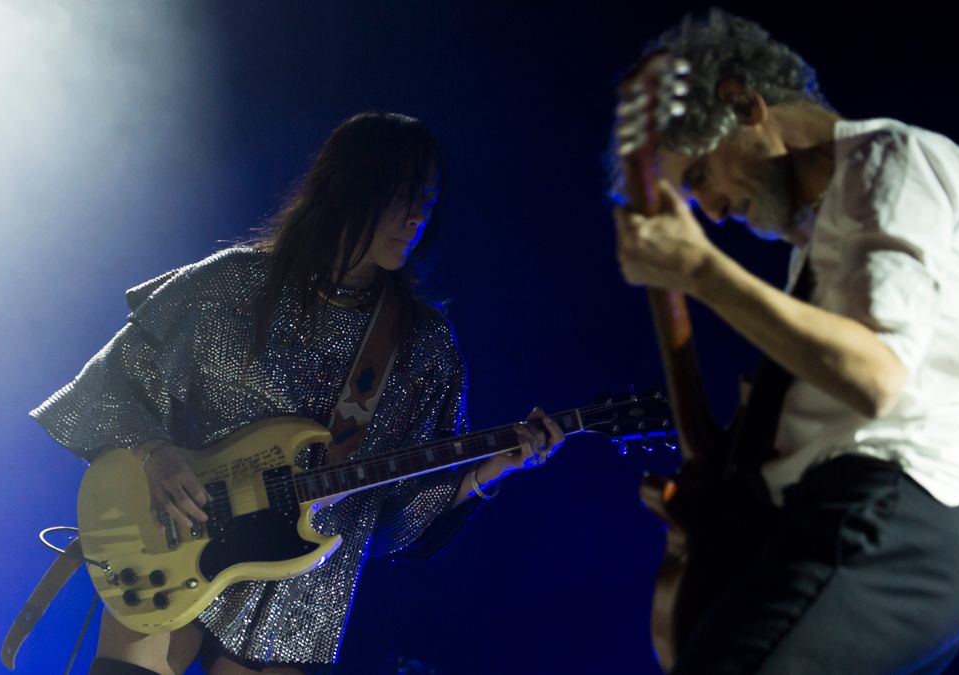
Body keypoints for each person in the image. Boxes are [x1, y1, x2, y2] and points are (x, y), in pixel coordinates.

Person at [32, 111, 563, 675]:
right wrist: (155, 454)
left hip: (301, 599)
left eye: (427, 204)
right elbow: (107, 384)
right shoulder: (230, 284)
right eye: (402, 198)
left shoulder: (424, 348)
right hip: (173, 539)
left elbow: (388, 525)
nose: (416, 220)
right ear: (349, 188)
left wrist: (488, 473)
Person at [614, 10, 959, 674]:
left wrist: (701, 271)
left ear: (743, 102)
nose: (710, 211)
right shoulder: (814, 258)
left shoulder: (892, 157)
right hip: (837, 523)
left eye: (702, 175)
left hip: (893, 517)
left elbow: (875, 376)